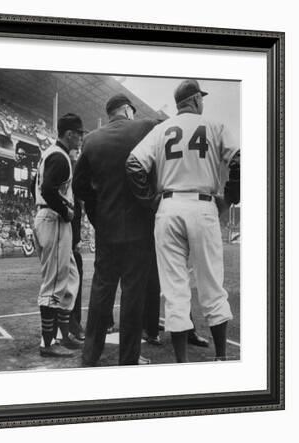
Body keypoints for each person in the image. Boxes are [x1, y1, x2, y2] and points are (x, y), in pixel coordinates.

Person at [126, 79, 240, 362]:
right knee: (212, 286)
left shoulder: (161, 129)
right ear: (195, 101)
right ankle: (221, 358)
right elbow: (238, 159)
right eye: (200, 98)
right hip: (202, 206)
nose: (202, 102)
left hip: (169, 207)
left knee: (175, 290)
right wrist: (230, 198)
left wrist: (150, 199)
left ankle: (182, 364)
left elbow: (133, 164)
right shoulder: (215, 125)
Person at [73, 93, 158, 366]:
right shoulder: (145, 128)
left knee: (101, 291)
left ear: (109, 113)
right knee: (133, 295)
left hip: (107, 228)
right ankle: (129, 358)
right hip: (139, 228)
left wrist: (99, 216)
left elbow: (80, 187)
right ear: (127, 110)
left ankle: (91, 354)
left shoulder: (91, 139)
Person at [31, 113, 83, 357]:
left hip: (49, 216)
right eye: (79, 133)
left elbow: (34, 184)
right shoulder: (60, 158)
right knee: (53, 284)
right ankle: (47, 344)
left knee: (71, 277)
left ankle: (62, 335)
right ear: (69, 134)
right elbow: (46, 189)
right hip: (53, 219)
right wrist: (65, 210)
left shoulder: (51, 153)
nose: (81, 137)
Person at [68, 147, 86, 341]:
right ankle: (71, 324)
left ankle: (73, 323)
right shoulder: (63, 164)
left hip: (71, 237)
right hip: (65, 238)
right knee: (69, 281)